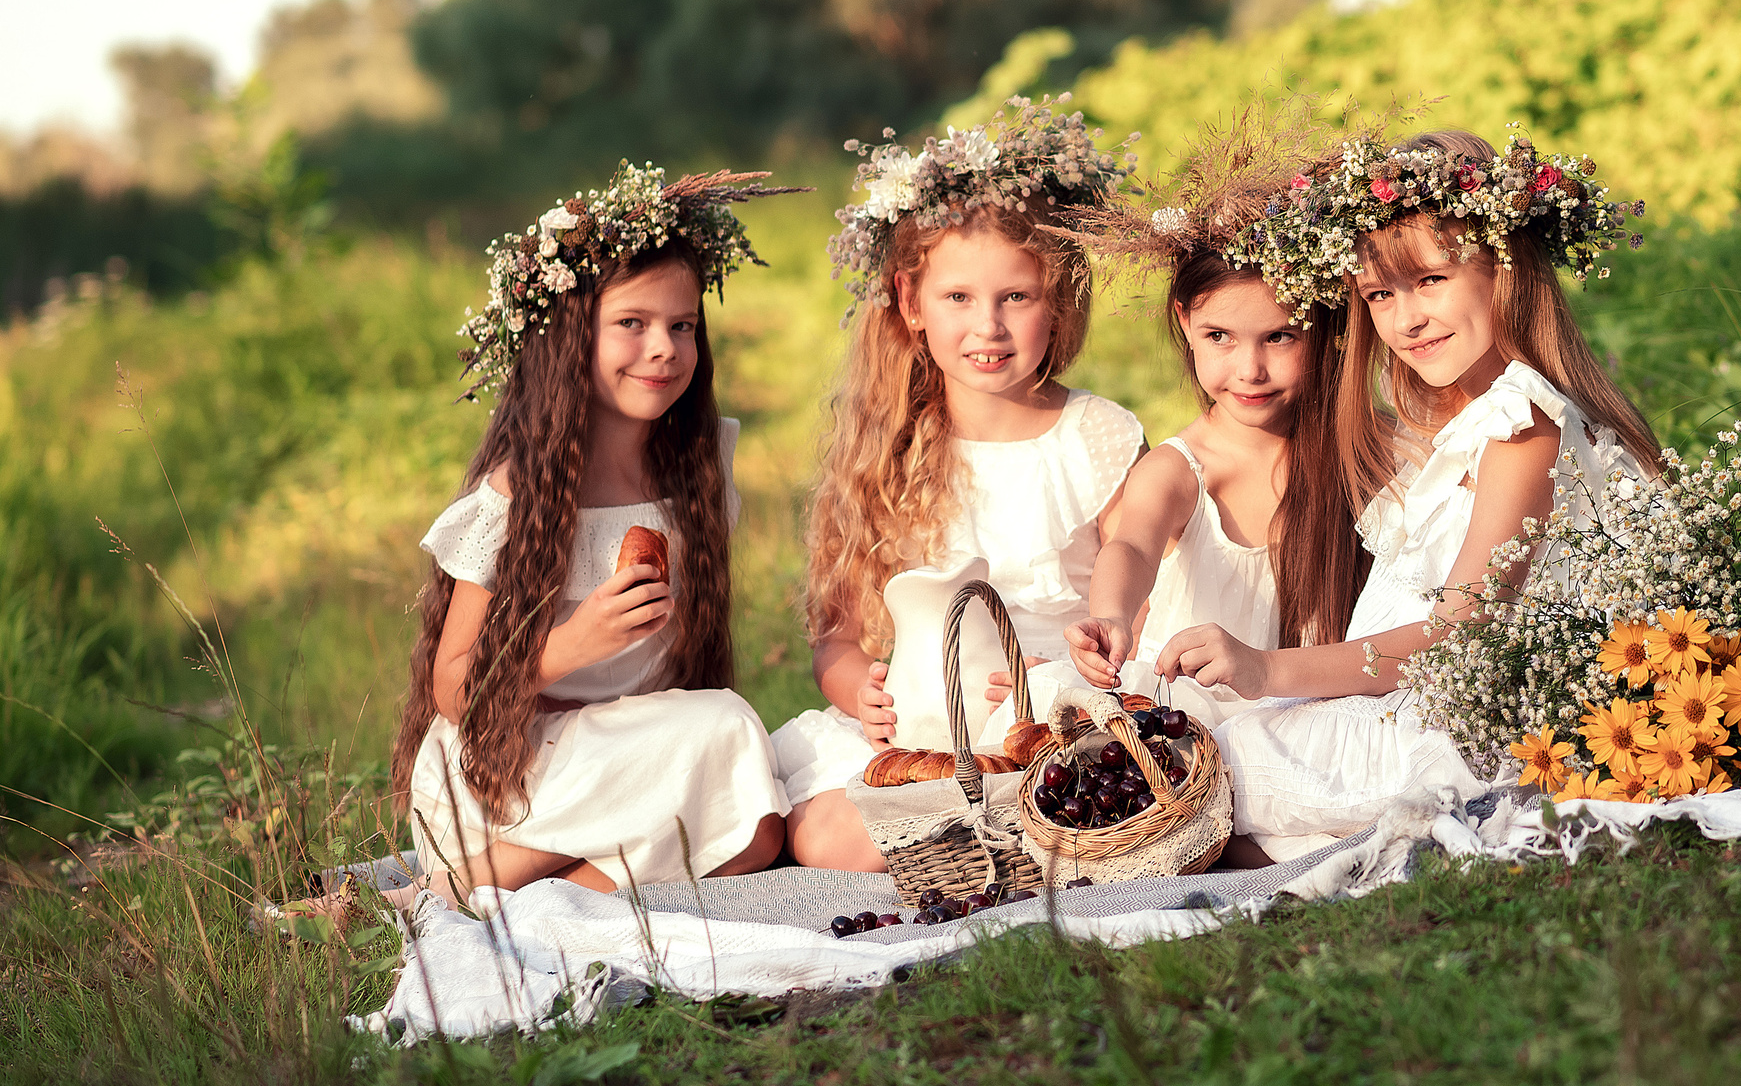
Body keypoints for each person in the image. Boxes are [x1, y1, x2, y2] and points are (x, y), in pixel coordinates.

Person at [1195, 130, 1662, 849]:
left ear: (1505, 271)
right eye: (1380, 294)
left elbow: (1460, 636)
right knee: (1194, 727)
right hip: (1421, 697)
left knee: (1223, 763)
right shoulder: (1460, 421)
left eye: (1432, 281)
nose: (1407, 319)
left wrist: (1267, 668)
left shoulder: (1523, 423)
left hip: (1475, 724)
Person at [392, 165, 799, 902]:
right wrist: (567, 648)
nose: (665, 349)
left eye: (682, 326)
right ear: (571, 334)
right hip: (512, 772)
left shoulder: (701, 468)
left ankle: (550, 899)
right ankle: (465, 883)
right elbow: (452, 683)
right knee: (729, 732)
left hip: (639, 750)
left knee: (758, 833)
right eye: (633, 324)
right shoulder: (522, 493)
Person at [772, 99, 1145, 871]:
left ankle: (1008, 828)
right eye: (958, 299)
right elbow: (838, 641)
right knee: (822, 836)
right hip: (927, 723)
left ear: (1057, 300)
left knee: (1082, 777)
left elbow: (1139, 589)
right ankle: (983, 834)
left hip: (1054, 704)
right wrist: (860, 699)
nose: (989, 327)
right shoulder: (886, 448)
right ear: (912, 303)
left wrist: (1083, 667)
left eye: (1017, 296)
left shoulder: (1095, 436)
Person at [1058, 137, 1365, 730]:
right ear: (1185, 321)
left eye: (1280, 337)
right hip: (1193, 725)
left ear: (1328, 328)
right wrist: (1112, 615)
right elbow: (1132, 545)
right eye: (1220, 336)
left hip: (1322, 714)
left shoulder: (1364, 452)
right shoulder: (1180, 469)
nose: (1249, 370)